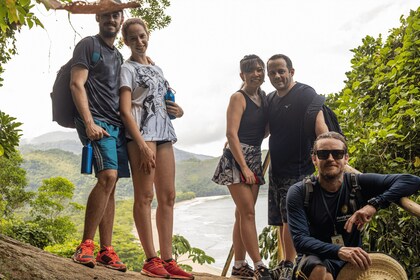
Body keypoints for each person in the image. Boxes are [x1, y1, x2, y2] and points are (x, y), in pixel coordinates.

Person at [286, 131, 420, 279]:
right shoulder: (300, 192)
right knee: (319, 270)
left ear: (346, 158)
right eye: (323, 154)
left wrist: (374, 204)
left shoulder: (357, 184)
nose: (330, 158)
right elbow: (300, 240)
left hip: (351, 260)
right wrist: (339, 251)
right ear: (314, 159)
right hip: (317, 258)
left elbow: (411, 181)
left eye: (337, 154)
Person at [119, 18, 192, 279]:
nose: (140, 41)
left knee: (168, 196)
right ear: (125, 41)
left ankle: (168, 259)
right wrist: (140, 143)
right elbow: (125, 110)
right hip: (142, 134)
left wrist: (178, 111)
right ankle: (150, 259)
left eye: (143, 36)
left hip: (164, 133)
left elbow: (161, 102)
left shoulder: (158, 68)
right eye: (133, 38)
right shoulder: (127, 69)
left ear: (148, 36)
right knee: (145, 196)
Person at [70, 8, 136, 272]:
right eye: (106, 15)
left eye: (116, 15)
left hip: (117, 126)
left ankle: (106, 251)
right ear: (97, 17)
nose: (111, 20)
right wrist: (89, 123)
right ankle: (86, 245)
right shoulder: (89, 45)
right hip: (96, 121)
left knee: (112, 183)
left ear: (121, 19)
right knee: (107, 177)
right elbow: (76, 84)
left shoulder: (119, 56)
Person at [265, 54, 329, 279]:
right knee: (281, 220)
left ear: (291, 71)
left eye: (281, 71)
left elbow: (320, 125)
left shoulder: (305, 94)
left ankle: (290, 265)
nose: (277, 76)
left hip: (299, 168)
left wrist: (327, 156)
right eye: (272, 72)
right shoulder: (271, 99)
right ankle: (285, 263)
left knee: (291, 217)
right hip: (277, 170)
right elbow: (265, 130)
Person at [212, 55, 272, 280]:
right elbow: (231, 133)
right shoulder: (238, 97)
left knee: (241, 214)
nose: (257, 74)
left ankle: (239, 265)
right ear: (242, 75)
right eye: (251, 71)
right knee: (248, 212)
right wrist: (244, 167)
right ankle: (259, 265)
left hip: (255, 155)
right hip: (238, 158)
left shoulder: (264, 98)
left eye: (259, 69)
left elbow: (264, 131)